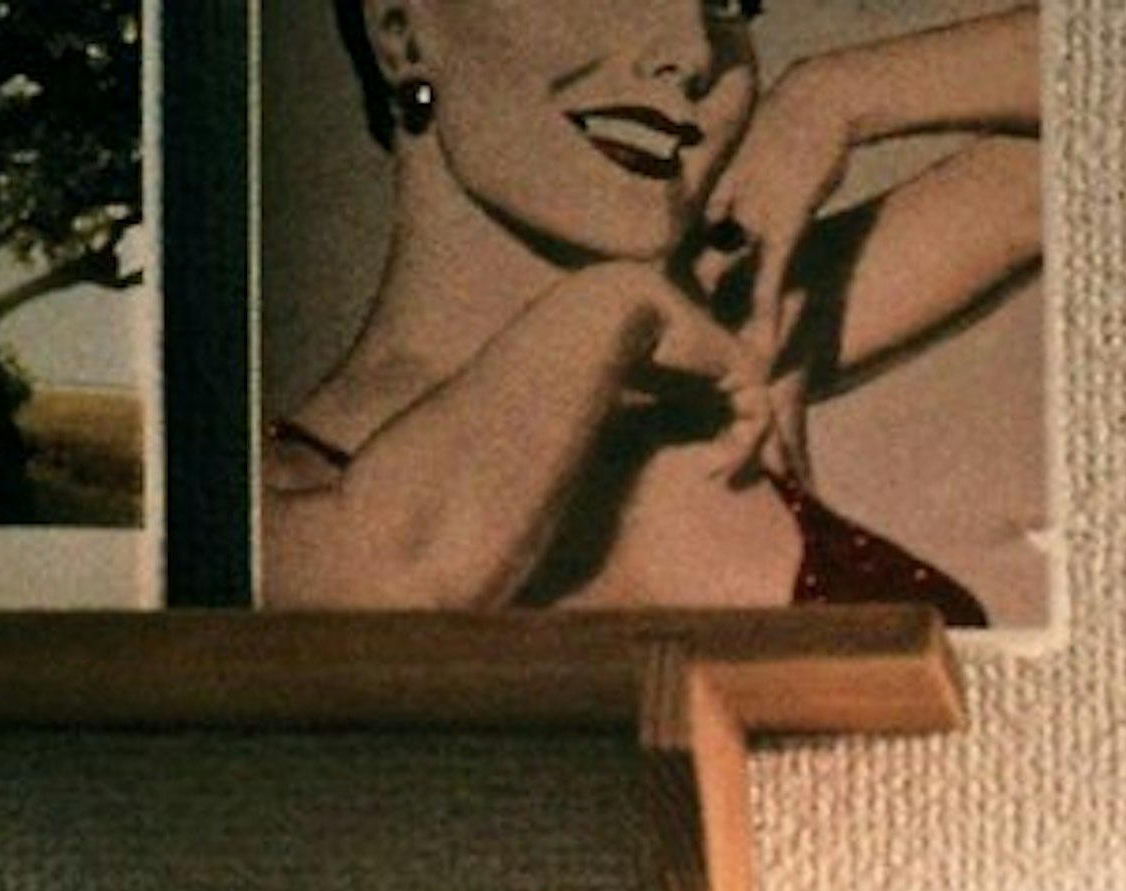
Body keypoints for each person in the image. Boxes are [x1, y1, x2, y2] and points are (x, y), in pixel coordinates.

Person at [264, 0, 1039, 615]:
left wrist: (836, 96)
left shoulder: (753, 329)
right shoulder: (254, 497)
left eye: (730, 3)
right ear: (401, 31)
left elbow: (1109, 106)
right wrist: (609, 309)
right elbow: (403, 584)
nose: (696, 51)